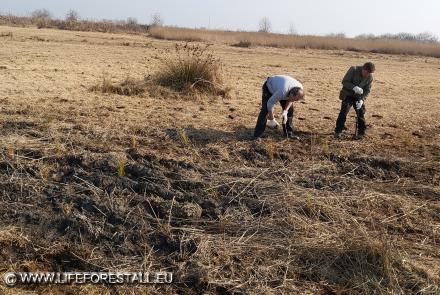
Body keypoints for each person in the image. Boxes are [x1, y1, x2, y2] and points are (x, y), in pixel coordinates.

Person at [335, 62, 375, 139]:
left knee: (361, 113)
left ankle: (361, 132)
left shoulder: (370, 77)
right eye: (367, 72)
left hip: (358, 97)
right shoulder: (353, 69)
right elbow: (345, 82)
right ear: (363, 69)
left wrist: (362, 100)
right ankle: (338, 131)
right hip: (347, 94)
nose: (367, 75)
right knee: (344, 112)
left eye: (370, 73)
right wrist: (354, 87)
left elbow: (367, 90)